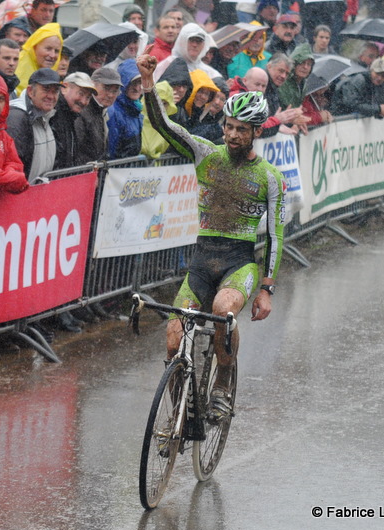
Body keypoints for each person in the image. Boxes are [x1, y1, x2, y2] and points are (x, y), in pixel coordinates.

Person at [137, 54, 284, 420]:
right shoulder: (206, 155)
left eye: (241, 129)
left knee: (223, 312)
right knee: (173, 340)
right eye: (229, 126)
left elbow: (279, 236)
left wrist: (266, 288)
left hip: (239, 262)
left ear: (257, 132)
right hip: (201, 261)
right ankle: (180, 413)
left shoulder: (269, 177)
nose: (233, 135)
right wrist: (148, 79)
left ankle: (224, 380)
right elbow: (164, 124)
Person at [7, 68, 60, 181]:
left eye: (55, 91)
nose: (51, 96)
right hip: (23, 194)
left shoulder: (48, 115)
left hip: (39, 193)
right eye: (46, 90)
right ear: (30, 91)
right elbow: (12, 165)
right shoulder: (17, 118)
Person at [50, 71, 97, 170]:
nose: (84, 101)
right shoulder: (53, 113)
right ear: (64, 88)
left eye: (88, 97)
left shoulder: (71, 115)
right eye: (81, 93)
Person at [75, 66, 121, 164]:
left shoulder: (102, 110)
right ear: (93, 85)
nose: (111, 95)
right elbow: (77, 149)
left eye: (115, 91)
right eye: (106, 88)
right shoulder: (82, 111)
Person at [153, 23, 221, 81]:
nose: (194, 45)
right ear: (182, 41)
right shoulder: (167, 65)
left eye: (198, 41)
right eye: (191, 40)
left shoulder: (210, 73)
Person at [107, 59, 144, 159]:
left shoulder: (136, 110)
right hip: (118, 171)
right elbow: (112, 150)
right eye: (133, 83)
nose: (137, 88)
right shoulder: (114, 111)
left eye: (140, 83)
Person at [14, 22, 62, 94]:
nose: (53, 55)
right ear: (34, 47)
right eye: (48, 49)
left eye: (57, 51)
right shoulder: (15, 66)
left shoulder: (55, 74)